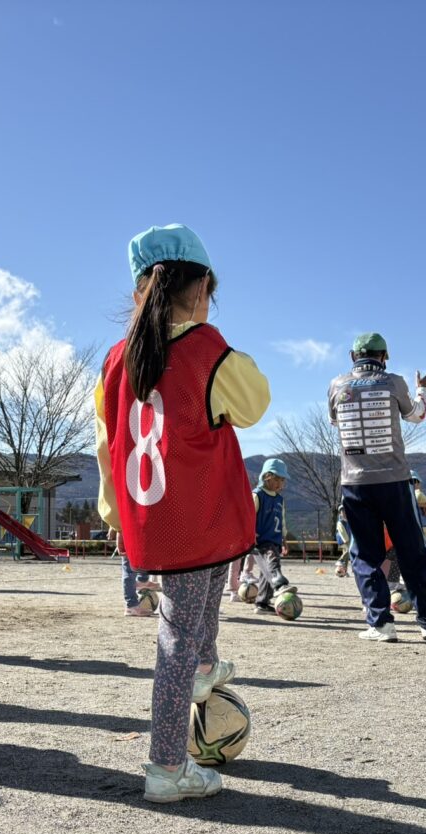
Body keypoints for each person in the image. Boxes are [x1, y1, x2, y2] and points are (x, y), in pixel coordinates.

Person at [95, 224, 269, 803]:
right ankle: (166, 767)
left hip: (153, 512)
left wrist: (114, 510)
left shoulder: (116, 361)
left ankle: (204, 668)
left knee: (202, 600)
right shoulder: (205, 348)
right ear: (200, 290)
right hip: (196, 510)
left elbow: (105, 443)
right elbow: (253, 404)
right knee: (177, 633)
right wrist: (211, 337)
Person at [328, 332, 426, 641]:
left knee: (365, 554)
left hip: (354, 482)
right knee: (411, 550)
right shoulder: (394, 382)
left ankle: (380, 623)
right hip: (394, 479)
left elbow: (336, 423)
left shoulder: (336, 385)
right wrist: (423, 389)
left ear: (353, 357)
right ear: (384, 357)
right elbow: (417, 415)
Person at [251, 458, 293, 614]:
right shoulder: (258, 495)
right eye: (276, 479)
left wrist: (284, 538)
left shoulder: (280, 499)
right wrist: (250, 532)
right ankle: (279, 584)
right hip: (260, 539)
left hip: (275, 539)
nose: (279, 483)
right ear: (266, 477)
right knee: (272, 561)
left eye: (282, 480)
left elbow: (281, 521)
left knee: (265, 571)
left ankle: (262, 603)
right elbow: (248, 515)